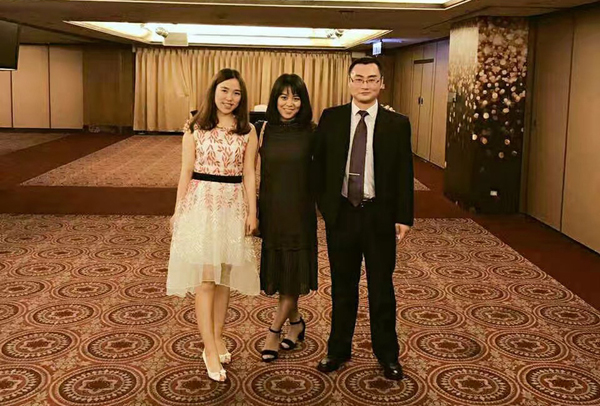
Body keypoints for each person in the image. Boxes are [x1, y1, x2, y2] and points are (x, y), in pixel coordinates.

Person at [314, 57, 414, 380]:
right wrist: (326, 207)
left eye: (372, 79)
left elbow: (404, 172)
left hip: (379, 216)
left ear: (382, 83)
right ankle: (338, 349)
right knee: (342, 287)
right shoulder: (331, 118)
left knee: (381, 288)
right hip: (342, 214)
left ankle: (387, 354)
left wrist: (404, 217)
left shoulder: (397, 124)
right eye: (358, 78)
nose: (365, 85)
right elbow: (319, 165)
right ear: (349, 82)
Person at [167, 68, 260, 382]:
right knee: (206, 280)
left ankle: (218, 337)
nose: (229, 98)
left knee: (223, 280)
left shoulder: (247, 130)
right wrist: (178, 211)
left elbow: (249, 173)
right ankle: (208, 347)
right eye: (224, 91)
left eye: (236, 93)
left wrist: (252, 212)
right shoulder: (195, 127)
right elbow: (185, 171)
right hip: (201, 206)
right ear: (213, 92)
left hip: (232, 207)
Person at [256, 74, 318, 362]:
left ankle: (274, 331)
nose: (289, 103)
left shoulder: (312, 132)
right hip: (271, 210)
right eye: (284, 97)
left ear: (303, 102)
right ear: (275, 99)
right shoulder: (263, 129)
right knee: (282, 272)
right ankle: (296, 323)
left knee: (292, 272)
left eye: (296, 97)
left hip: (299, 212)